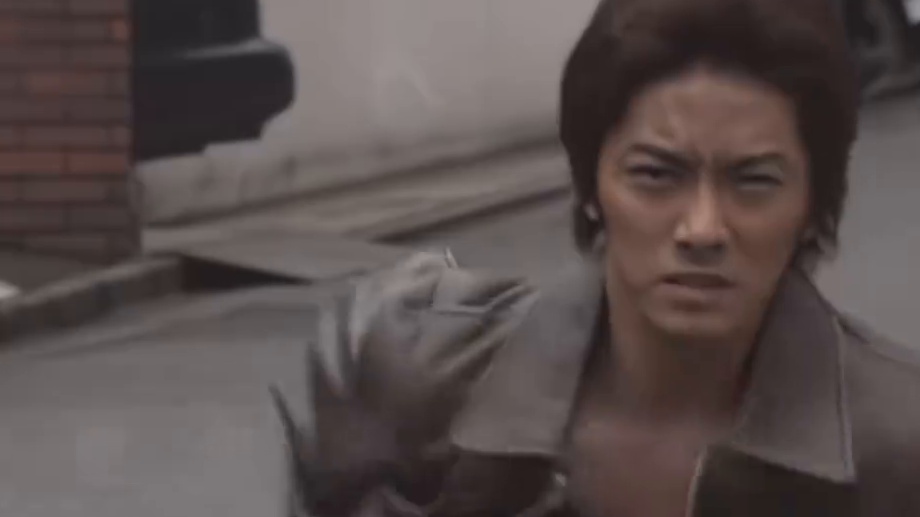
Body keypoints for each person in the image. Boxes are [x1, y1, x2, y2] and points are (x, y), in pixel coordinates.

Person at [273, 0, 920, 515]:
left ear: (810, 204)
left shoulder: (898, 445)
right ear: (591, 186)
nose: (702, 228)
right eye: (655, 175)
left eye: (753, 181)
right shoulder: (417, 375)